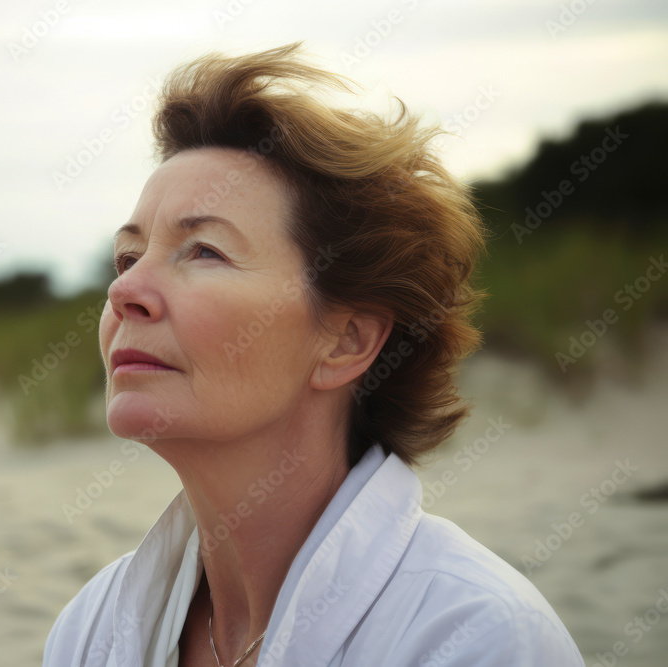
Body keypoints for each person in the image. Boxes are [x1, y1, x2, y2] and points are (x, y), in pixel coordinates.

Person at [43, 42, 585, 666]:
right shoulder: (94, 629)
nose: (124, 291)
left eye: (204, 251)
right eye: (127, 257)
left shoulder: (476, 639)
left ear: (347, 340)